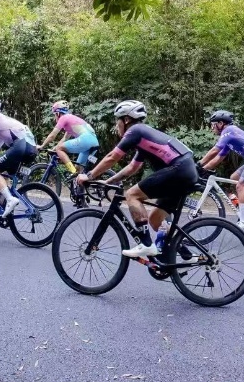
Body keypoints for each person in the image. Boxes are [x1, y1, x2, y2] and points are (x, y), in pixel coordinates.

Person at [76, 100, 199, 261]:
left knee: (132, 195)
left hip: (178, 170)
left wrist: (89, 175)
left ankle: (146, 244)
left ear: (126, 120)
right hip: (185, 172)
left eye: (117, 120)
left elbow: (113, 157)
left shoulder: (135, 130)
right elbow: (132, 168)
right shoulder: (143, 137)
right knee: (155, 221)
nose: (116, 125)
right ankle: (187, 255)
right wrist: (108, 182)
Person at [198, 110, 244, 230]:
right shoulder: (229, 138)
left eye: (213, 125)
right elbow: (219, 158)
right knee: (234, 178)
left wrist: (199, 164)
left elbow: (215, 150)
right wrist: (203, 169)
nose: (212, 128)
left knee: (241, 186)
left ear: (221, 123)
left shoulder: (229, 130)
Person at [37, 101, 100, 178]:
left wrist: (42, 146)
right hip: (94, 142)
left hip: (86, 140)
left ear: (58, 113)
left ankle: (72, 171)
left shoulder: (63, 118)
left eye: (55, 114)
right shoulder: (71, 119)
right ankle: (80, 180)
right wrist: (54, 149)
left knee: (60, 149)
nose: (55, 117)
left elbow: (52, 135)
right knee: (79, 170)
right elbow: (64, 139)